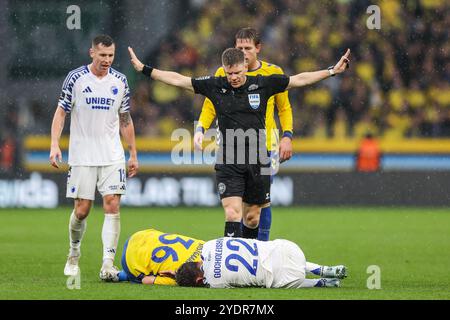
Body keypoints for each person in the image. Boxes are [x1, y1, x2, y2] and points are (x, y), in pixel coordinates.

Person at [128, 46, 350, 240]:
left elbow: (300, 79)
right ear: (224, 69)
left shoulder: (264, 83)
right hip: (228, 158)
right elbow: (179, 79)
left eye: (237, 72)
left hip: (258, 157)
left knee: (252, 218)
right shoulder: (216, 85)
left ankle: (249, 264)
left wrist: (332, 71)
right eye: (229, 73)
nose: (233, 77)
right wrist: (145, 69)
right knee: (233, 213)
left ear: (245, 66)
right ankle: (229, 265)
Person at [50, 34, 139, 282]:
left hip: (112, 155)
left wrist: (132, 153)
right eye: (102, 55)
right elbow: (61, 112)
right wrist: (54, 144)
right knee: (82, 210)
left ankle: (107, 264)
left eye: (111, 55)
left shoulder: (120, 81)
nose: (107, 60)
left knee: (112, 204)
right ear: (92, 53)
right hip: (82, 155)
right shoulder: (76, 78)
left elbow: (125, 119)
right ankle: (74, 253)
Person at [194, 28, 294, 241]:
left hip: (264, 145)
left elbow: (284, 108)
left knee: (260, 203)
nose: (243, 52)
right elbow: (209, 106)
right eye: (239, 48)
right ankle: (239, 251)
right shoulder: (225, 73)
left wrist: (287, 135)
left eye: (247, 48)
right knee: (236, 205)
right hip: (233, 147)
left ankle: (262, 247)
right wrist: (201, 128)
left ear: (258, 48)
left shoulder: (272, 73)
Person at [175, 237, 347, 288]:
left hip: (290, 278)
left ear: (199, 280)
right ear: (196, 261)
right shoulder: (209, 245)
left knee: (278, 279)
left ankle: (320, 283)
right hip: (290, 249)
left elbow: (208, 280)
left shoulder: (214, 282)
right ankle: (323, 269)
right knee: (277, 255)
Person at [116, 228, 204, 285]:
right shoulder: (179, 278)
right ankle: (119, 275)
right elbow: (146, 280)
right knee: (140, 280)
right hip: (130, 259)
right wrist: (175, 279)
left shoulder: (206, 246)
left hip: (141, 235)